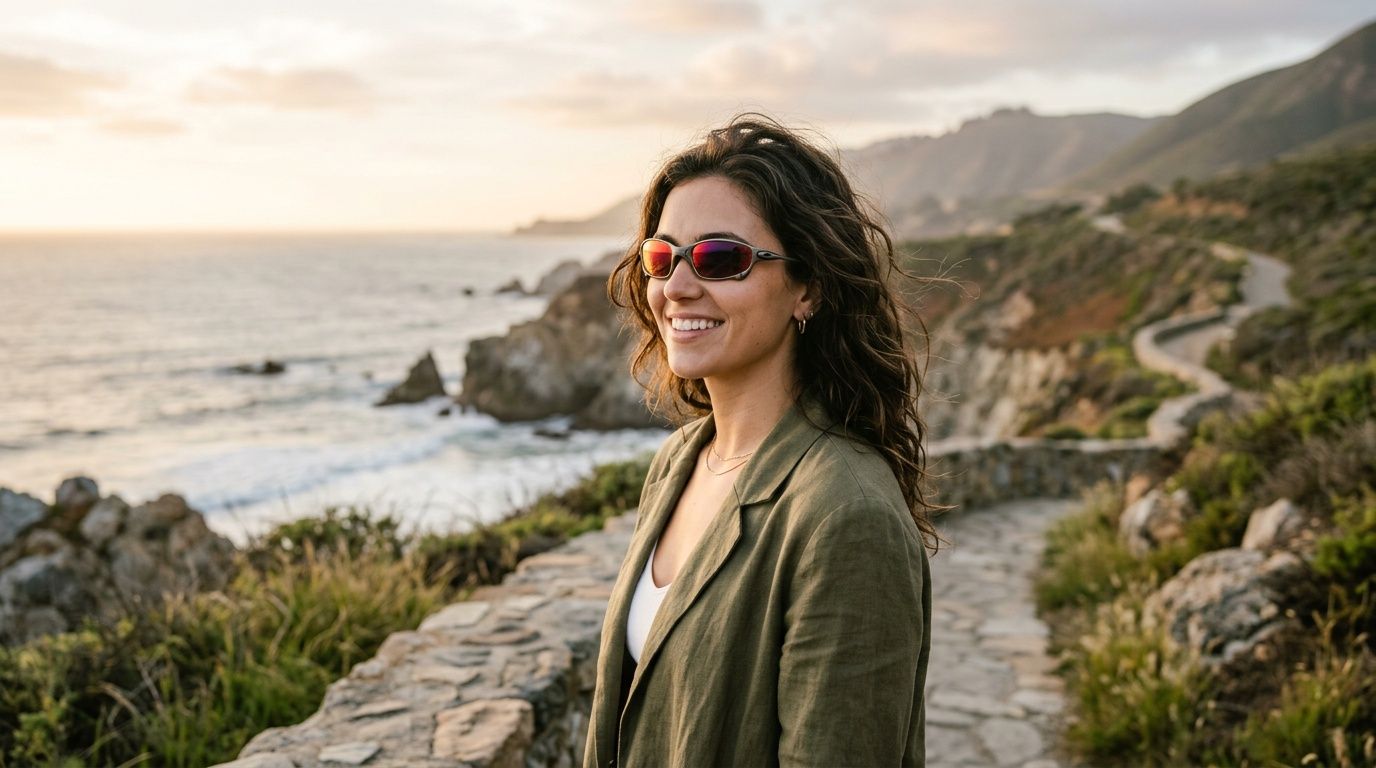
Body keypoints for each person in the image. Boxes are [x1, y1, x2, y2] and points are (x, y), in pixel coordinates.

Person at [582, 111, 950, 768]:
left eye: (722, 258)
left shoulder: (847, 513)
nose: (677, 288)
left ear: (806, 288)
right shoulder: (680, 461)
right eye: (661, 258)